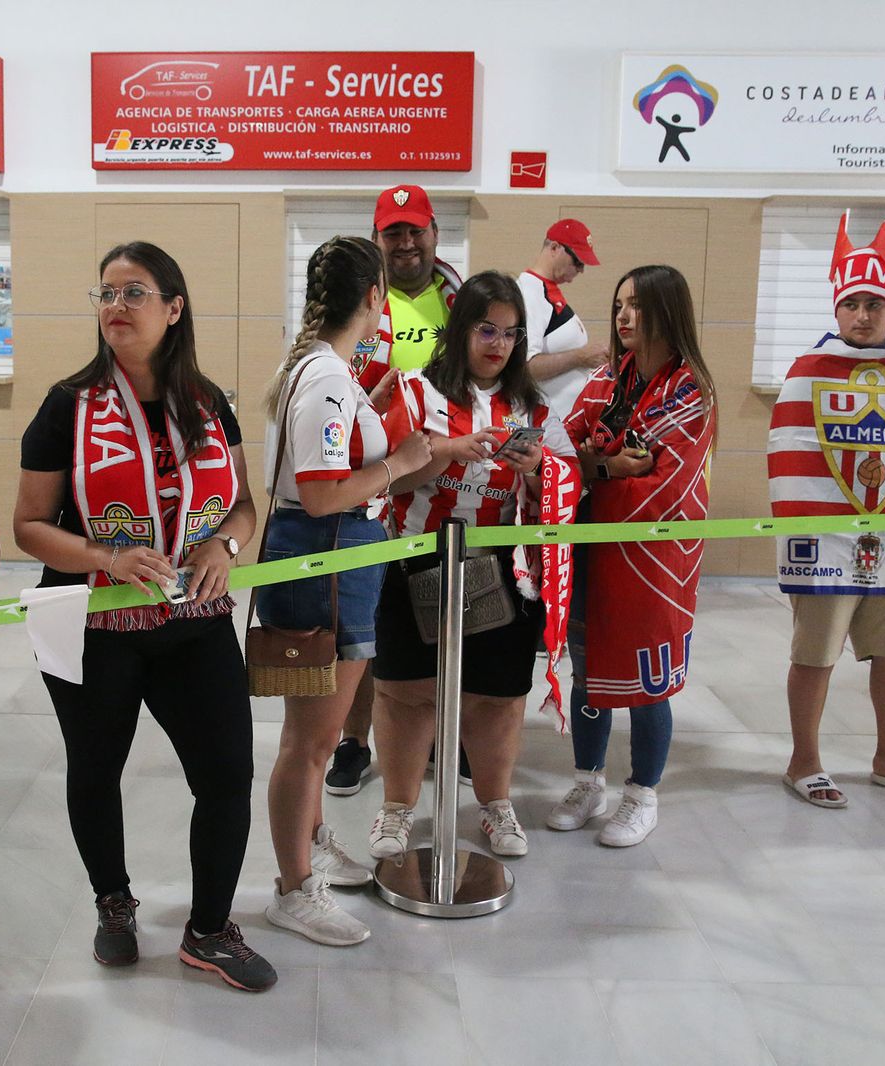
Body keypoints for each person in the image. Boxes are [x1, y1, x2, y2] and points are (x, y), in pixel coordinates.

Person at [12, 241, 277, 992]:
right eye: (105, 293)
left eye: (134, 292)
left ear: (174, 307)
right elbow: (29, 524)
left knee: (227, 774)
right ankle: (114, 903)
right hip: (94, 626)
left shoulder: (209, 399)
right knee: (96, 771)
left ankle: (208, 931)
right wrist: (104, 556)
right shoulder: (69, 404)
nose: (116, 307)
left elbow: (244, 503)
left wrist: (226, 543)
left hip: (195, 622)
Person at [259, 235, 432, 945]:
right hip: (325, 560)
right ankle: (293, 887)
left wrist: (372, 405)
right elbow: (325, 495)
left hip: (329, 563)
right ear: (373, 299)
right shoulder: (327, 376)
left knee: (315, 739)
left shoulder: (324, 369)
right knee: (311, 741)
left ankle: (312, 841)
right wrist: (400, 463)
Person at [368, 271, 577, 860]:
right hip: (411, 560)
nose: (498, 344)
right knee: (406, 694)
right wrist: (447, 451)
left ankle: (495, 806)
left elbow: (567, 482)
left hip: (500, 572)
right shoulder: (415, 392)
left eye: (511, 334)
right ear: (461, 329)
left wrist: (539, 468)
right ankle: (396, 810)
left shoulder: (532, 405)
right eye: (486, 328)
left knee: (499, 695)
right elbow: (384, 476)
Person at [768, 213, 885, 808]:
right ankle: (804, 761)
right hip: (826, 536)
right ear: (836, 306)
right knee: (815, 653)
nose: (863, 315)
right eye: (852, 302)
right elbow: (790, 449)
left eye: (875, 303)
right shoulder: (809, 368)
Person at [548, 264, 716, 846]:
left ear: (669, 312)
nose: (623, 315)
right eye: (619, 303)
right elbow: (564, 455)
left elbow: (667, 487)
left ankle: (642, 793)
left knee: (648, 684)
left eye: (638, 305)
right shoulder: (605, 381)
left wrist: (600, 472)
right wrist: (609, 466)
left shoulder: (690, 391)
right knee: (589, 673)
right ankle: (587, 780)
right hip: (592, 553)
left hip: (653, 563)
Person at [325, 184, 465, 797]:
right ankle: (354, 742)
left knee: (442, 619)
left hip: (446, 488)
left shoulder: (463, 301)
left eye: (415, 230)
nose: (406, 243)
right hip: (374, 488)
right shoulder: (358, 303)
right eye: (393, 233)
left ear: (434, 230)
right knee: (363, 629)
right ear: (378, 238)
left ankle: (437, 730)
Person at [517, 219, 611, 420]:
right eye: (577, 262)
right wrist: (581, 357)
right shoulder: (530, 292)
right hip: (550, 424)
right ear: (554, 248)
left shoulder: (547, 290)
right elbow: (525, 368)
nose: (581, 270)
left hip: (566, 422)